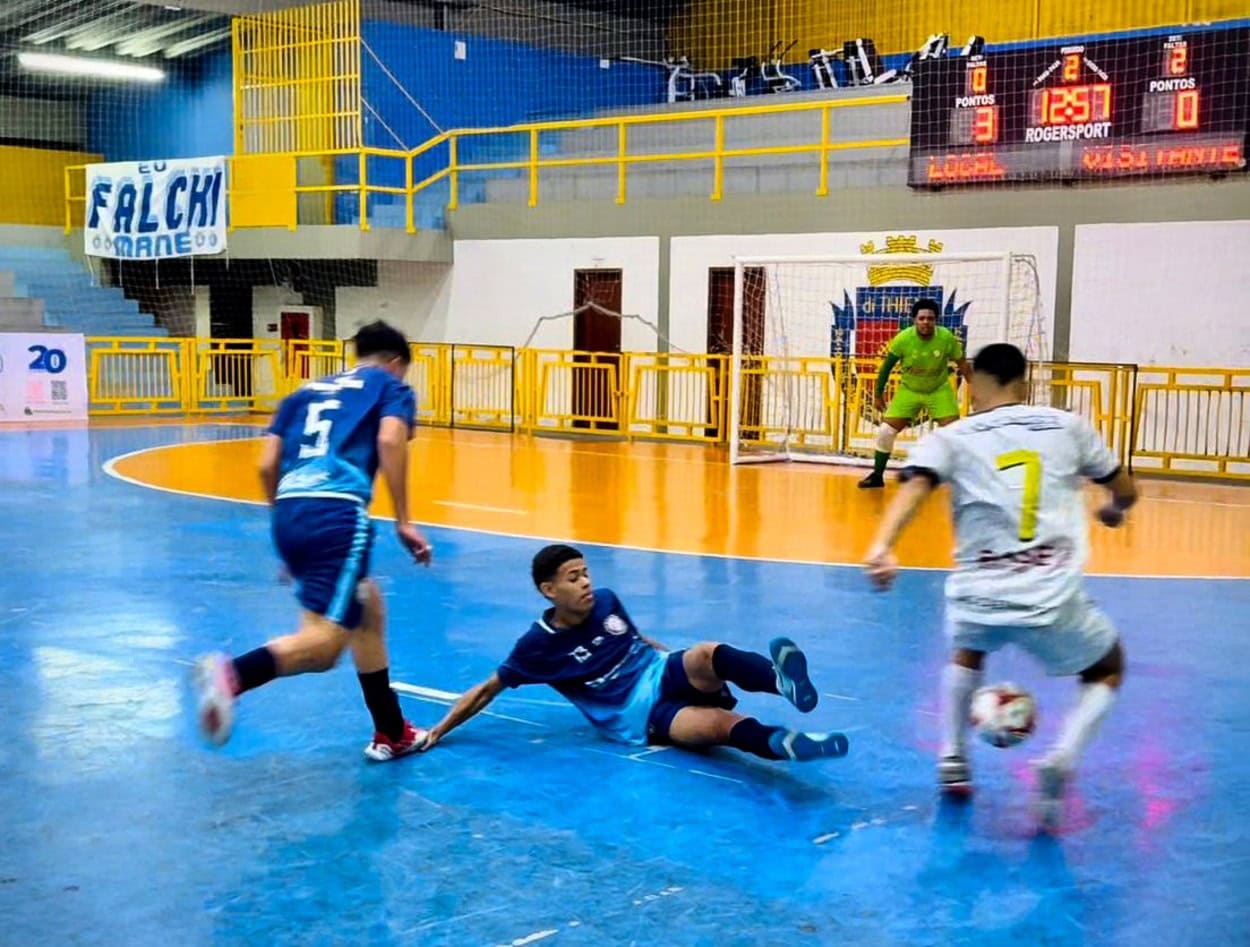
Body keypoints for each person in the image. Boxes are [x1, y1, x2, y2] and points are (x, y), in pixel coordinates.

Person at [862, 342, 1137, 827]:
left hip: (978, 591)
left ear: (973, 381)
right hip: (1048, 594)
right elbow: (1123, 487)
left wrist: (883, 545)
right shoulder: (1067, 426)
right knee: (1107, 668)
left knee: (967, 651)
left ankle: (952, 756)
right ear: (1024, 381)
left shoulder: (954, 436)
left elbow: (917, 486)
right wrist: (1114, 510)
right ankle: (1062, 758)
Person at [193, 320, 434, 762]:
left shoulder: (302, 393)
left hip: (289, 509)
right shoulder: (389, 386)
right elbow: (390, 439)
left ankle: (391, 729)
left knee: (368, 605)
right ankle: (231, 676)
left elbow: (267, 464)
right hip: (338, 512)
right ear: (397, 364)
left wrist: (286, 523)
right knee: (323, 647)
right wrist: (404, 519)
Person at [418, 544, 850, 764]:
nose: (586, 582)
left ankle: (783, 682)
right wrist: (439, 729)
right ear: (549, 590)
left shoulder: (606, 601)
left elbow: (638, 639)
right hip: (638, 716)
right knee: (720, 725)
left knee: (706, 652)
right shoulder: (538, 645)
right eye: (573, 577)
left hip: (659, 672)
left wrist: (675, 662)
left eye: (586, 573)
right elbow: (487, 689)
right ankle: (791, 745)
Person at [859, 297, 971, 489]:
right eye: (921, 318)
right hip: (909, 390)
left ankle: (960, 480)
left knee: (955, 434)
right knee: (885, 432)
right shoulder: (903, 339)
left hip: (938, 390)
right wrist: (878, 395)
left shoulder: (946, 338)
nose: (926, 322)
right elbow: (886, 368)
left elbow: (962, 364)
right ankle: (877, 476)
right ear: (914, 320)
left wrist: (976, 390)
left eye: (930, 318)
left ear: (935, 321)